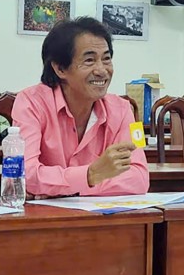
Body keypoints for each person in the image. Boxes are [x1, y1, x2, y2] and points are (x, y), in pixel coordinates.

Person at [11, 17, 149, 196]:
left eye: (106, 59)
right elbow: (23, 174)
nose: (101, 70)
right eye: (90, 60)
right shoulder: (29, 103)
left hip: (102, 218)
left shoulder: (125, 110)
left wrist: (72, 187)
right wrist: (90, 174)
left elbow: (140, 178)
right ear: (60, 69)